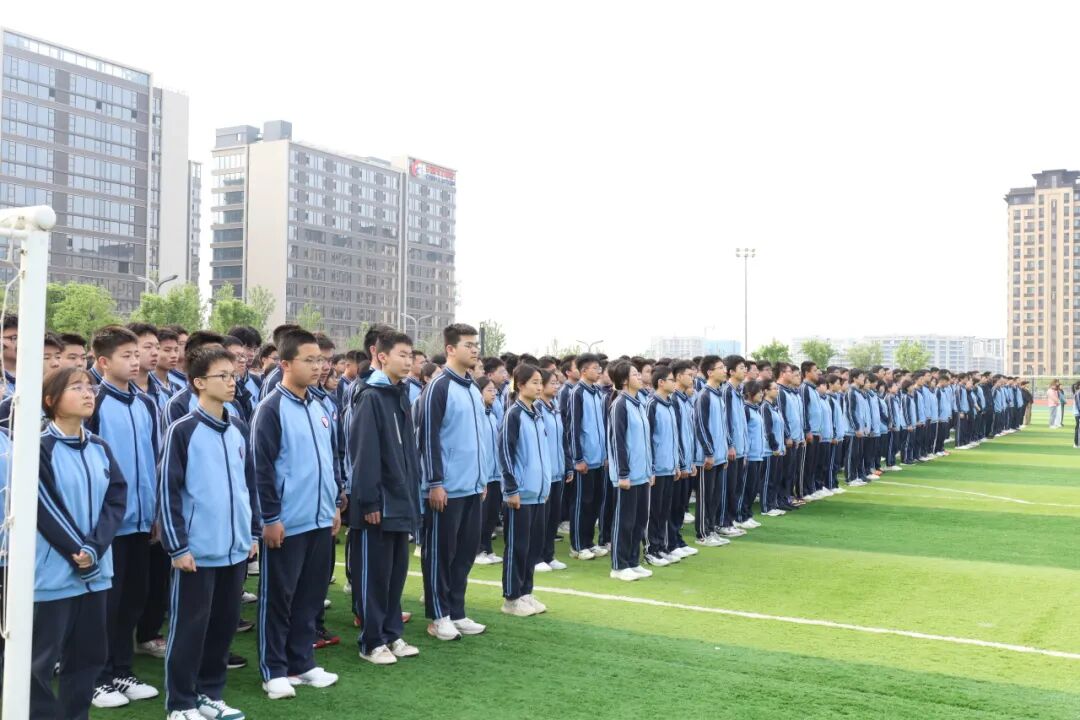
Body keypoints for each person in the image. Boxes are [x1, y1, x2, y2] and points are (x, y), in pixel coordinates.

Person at [159, 345, 259, 720]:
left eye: (234, 375)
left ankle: (209, 694)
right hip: (197, 552)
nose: (232, 382)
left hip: (235, 548)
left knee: (222, 627)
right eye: (223, 376)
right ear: (199, 382)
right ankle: (180, 702)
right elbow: (168, 491)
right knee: (189, 629)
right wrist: (177, 546)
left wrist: (252, 533)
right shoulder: (182, 430)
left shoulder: (238, 428)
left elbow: (249, 485)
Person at [32, 366, 126, 720]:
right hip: (53, 574)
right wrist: (78, 550)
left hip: (96, 572)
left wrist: (94, 549)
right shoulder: (39, 448)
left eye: (90, 388)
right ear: (50, 400)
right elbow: (43, 505)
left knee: (88, 657)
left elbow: (116, 499)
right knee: (39, 662)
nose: (88, 393)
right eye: (77, 388)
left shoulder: (100, 447)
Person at [252, 328, 341, 700]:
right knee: (279, 599)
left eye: (320, 360)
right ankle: (273, 669)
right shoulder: (271, 408)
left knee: (309, 597)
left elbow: (330, 461)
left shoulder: (319, 406)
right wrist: (270, 518)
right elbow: (261, 469)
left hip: (319, 519)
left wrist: (333, 505)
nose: (319, 367)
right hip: (287, 523)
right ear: (285, 364)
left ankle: (301, 663)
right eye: (309, 360)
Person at [86, 325, 161, 708]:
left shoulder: (146, 403)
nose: (135, 362)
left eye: (137, 354)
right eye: (126, 356)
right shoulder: (94, 402)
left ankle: (121, 670)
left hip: (141, 521)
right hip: (107, 525)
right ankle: (96, 678)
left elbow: (154, 459)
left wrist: (155, 511)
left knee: (133, 600)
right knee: (106, 605)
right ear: (103, 361)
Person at [349, 330, 423, 665]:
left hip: (400, 500)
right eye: (402, 355)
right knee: (374, 576)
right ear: (381, 356)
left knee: (395, 575)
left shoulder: (399, 393)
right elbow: (364, 452)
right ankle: (371, 641)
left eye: (410, 355)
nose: (408, 361)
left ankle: (392, 634)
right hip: (378, 504)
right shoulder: (371, 396)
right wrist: (369, 501)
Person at [416, 323, 490, 641]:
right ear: (450, 349)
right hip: (446, 488)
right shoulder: (439, 386)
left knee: (465, 553)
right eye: (468, 345)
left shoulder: (471, 387)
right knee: (440, 554)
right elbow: (428, 436)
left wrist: (482, 478)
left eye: (476, 345)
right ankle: (438, 615)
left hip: (472, 486)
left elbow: (479, 437)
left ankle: (457, 611)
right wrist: (435, 482)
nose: (474, 350)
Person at [498, 363, 552, 614]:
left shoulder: (537, 413)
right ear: (520, 385)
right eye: (534, 382)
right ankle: (511, 598)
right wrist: (511, 489)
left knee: (533, 547)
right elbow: (505, 453)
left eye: (541, 382)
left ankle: (526, 592)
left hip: (538, 494)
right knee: (517, 547)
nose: (539, 387)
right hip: (520, 493)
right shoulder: (514, 414)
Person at [606, 360, 653, 582]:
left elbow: (645, 440)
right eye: (635, 374)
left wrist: (649, 468)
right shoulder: (620, 405)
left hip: (642, 472)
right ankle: (619, 565)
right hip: (628, 475)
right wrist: (623, 473)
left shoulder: (639, 403)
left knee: (639, 520)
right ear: (624, 380)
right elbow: (618, 441)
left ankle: (633, 561)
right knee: (624, 520)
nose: (640, 377)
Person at [567, 353, 610, 560]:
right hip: (584, 460)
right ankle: (577, 545)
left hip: (598, 458)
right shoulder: (577, 393)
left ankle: (588, 542)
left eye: (599, 368)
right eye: (594, 368)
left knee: (594, 503)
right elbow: (573, 427)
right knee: (581, 503)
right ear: (583, 371)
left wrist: (605, 454)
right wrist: (577, 458)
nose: (599, 371)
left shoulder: (598, 392)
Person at [644, 365, 683, 566]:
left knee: (664, 510)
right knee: (654, 511)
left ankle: (661, 547)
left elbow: (674, 437)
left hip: (669, 466)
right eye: (671, 380)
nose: (674, 383)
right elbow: (648, 439)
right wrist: (650, 467)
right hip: (657, 468)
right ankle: (651, 549)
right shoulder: (651, 404)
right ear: (661, 382)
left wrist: (676, 463)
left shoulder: (670, 404)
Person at [536, 369, 571, 572]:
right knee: (541, 518)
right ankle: (537, 557)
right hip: (544, 473)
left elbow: (562, 439)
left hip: (557, 471)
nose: (557, 386)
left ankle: (549, 555)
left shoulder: (554, 408)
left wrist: (567, 464)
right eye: (552, 383)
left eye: (558, 383)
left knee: (553, 518)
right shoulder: (537, 408)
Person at [693, 355, 730, 546]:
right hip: (708, 457)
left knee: (715, 497)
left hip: (720, 455)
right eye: (720, 368)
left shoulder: (718, 394)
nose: (725, 371)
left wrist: (725, 450)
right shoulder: (704, 395)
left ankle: (711, 529)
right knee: (705, 497)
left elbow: (723, 426)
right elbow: (700, 426)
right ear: (709, 372)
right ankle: (702, 534)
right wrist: (708, 452)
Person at [667, 360, 699, 558]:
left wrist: (692, 460)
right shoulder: (674, 400)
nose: (692, 378)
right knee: (673, 505)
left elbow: (689, 434)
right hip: (678, 463)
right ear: (678, 377)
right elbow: (676, 435)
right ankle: (670, 542)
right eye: (689, 375)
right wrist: (680, 462)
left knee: (680, 505)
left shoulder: (686, 400)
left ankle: (677, 539)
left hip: (687, 460)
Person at [474, 376, 504, 566]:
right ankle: (477, 550)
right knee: (481, 515)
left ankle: (487, 548)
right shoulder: (476, 415)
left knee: (492, 514)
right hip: (482, 474)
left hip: (495, 473)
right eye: (489, 390)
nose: (493, 394)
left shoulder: (492, 415)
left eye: (495, 391)